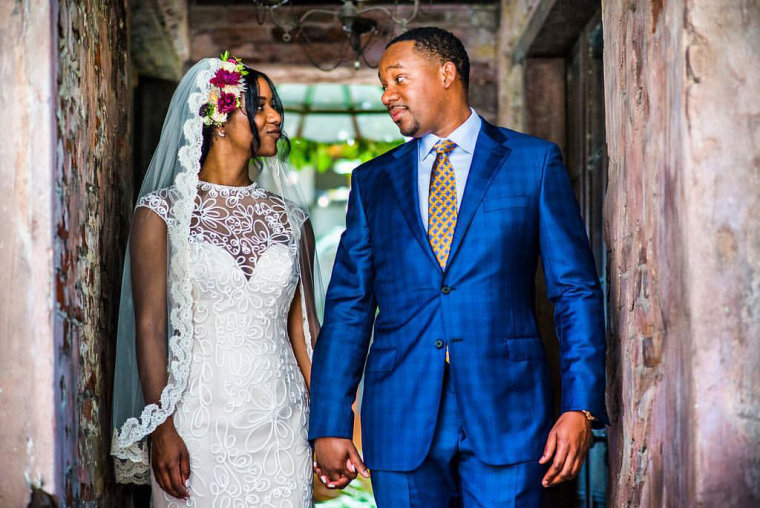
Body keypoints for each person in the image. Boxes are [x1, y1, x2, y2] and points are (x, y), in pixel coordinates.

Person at [309, 27, 608, 506]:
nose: (388, 94)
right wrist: (329, 420)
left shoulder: (533, 163)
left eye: (398, 79)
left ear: (447, 73)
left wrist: (581, 406)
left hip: (508, 412)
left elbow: (575, 291)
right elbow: (348, 307)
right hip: (401, 415)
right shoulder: (373, 182)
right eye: (383, 84)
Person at [110, 53, 320, 507]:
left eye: (273, 105)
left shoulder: (293, 220)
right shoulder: (161, 215)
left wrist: (331, 424)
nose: (275, 116)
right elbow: (150, 327)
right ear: (219, 118)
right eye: (259, 106)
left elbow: (306, 334)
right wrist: (161, 426)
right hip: (195, 424)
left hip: (284, 425)